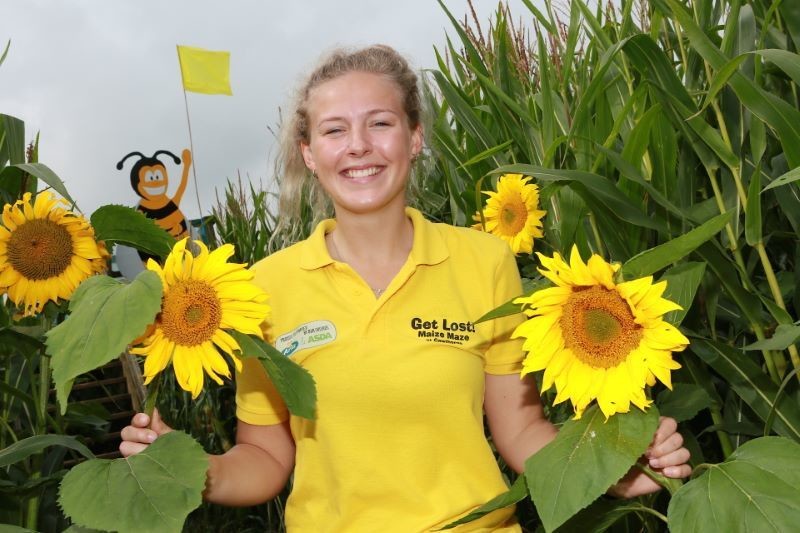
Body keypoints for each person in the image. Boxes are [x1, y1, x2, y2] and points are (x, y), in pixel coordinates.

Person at [120, 44, 691, 532]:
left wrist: (610, 467)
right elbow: (267, 459)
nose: (359, 145)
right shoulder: (261, 290)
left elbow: (520, 432)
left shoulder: (484, 261)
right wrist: (191, 470)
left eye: (380, 122)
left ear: (414, 138)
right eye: (335, 130)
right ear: (310, 154)